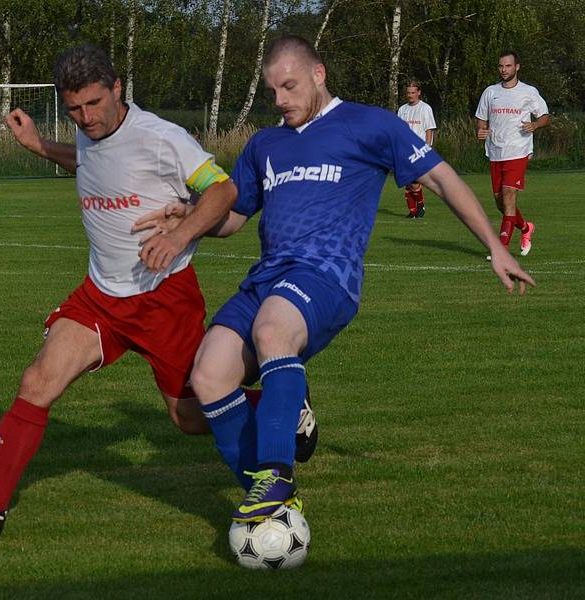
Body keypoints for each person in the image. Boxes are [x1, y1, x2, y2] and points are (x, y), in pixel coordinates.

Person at [136, 35, 535, 524]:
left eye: (289, 86)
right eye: (272, 92)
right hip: (266, 277)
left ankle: (276, 472)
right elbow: (234, 219)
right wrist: (190, 218)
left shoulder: (370, 125)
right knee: (209, 377)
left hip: (326, 275)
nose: (280, 100)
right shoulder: (265, 143)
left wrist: (494, 247)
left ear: (319, 74)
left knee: (271, 333)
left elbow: (442, 179)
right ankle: (271, 508)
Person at [0, 44, 317, 540]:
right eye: (74, 108)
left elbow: (222, 191)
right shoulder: (86, 128)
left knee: (190, 418)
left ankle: (282, 406)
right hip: (100, 297)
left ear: (117, 89)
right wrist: (40, 147)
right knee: (37, 382)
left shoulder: (161, 137)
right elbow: (93, 164)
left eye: (93, 104)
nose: (86, 118)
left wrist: (179, 236)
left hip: (163, 299)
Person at [475, 50, 549, 257]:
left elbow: (545, 116)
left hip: (518, 151)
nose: (503, 69)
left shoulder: (528, 92)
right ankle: (526, 228)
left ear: (517, 67)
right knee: (501, 201)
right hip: (495, 152)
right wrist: (480, 130)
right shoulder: (490, 92)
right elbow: (481, 118)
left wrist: (535, 124)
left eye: (508, 66)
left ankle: (502, 248)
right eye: (501, 66)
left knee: (508, 195)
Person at [397, 81, 436, 218]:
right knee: (407, 182)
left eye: (413, 92)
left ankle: (420, 206)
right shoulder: (402, 109)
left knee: (414, 182)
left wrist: (427, 147)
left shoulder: (425, 108)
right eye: (408, 93)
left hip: (419, 150)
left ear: (419, 92)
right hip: (405, 150)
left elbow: (429, 129)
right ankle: (412, 211)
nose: (410, 95)